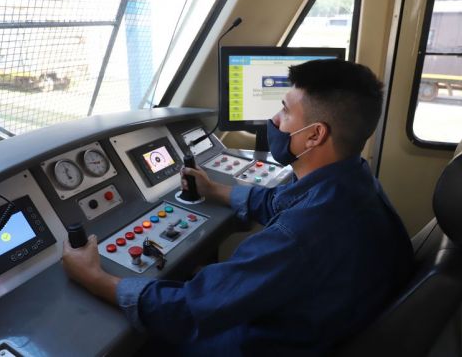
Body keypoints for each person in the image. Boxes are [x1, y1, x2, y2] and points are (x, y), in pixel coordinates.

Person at [62, 59, 414, 356]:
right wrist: (214, 188)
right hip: (326, 319)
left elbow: (189, 310)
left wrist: (96, 279)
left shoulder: (302, 234)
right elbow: (279, 202)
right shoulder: (353, 180)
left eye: (285, 111)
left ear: (314, 135)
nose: (274, 120)